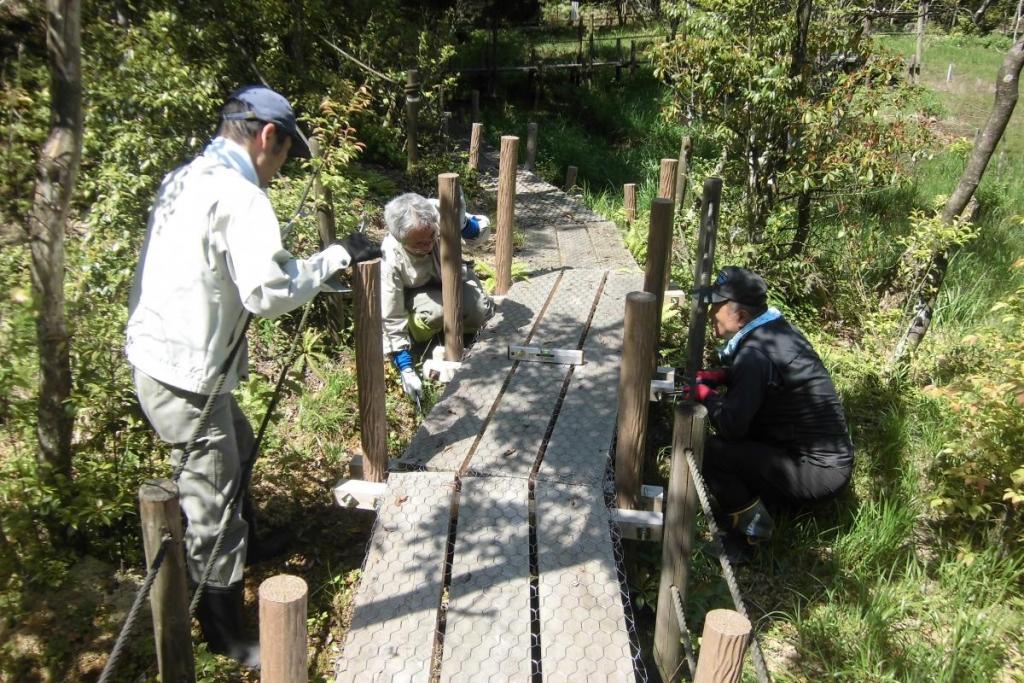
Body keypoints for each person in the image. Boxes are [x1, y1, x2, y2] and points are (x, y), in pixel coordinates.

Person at [124, 85, 380, 668]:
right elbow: (266, 292)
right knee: (211, 503)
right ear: (269, 137)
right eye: (286, 153)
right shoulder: (240, 197)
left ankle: (251, 543)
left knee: (236, 450)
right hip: (188, 376)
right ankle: (222, 632)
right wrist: (333, 258)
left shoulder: (186, 178)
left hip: (161, 358)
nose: (281, 168)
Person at [687, 266, 854, 553]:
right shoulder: (774, 331)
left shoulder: (754, 354)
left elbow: (732, 425)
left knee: (714, 451)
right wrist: (724, 376)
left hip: (816, 473)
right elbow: (771, 377)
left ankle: (750, 538)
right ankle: (767, 502)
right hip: (828, 463)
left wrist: (703, 394)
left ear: (739, 317)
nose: (711, 312)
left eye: (717, 306)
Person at [380, 191, 494, 402]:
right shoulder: (389, 257)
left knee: (481, 311)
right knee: (435, 313)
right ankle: (423, 342)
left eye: (431, 237)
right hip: (418, 295)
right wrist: (405, 368)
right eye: (418, 244)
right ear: (400, 239)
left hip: (452, 283)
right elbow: (390, 314)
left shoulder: (438, 214)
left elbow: (480, 232)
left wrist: (464, 225)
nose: (428, 246)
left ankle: (462, 333)